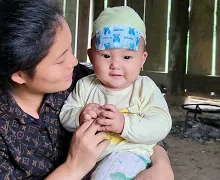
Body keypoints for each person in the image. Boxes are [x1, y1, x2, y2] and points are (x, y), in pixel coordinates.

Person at [0, 1, 174, 179]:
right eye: (60, 60)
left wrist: (161, 163)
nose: (74, 61)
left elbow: (142, 115)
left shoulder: (83, 78)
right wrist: (73, 168)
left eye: (70, 49)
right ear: (19, 74)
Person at [60, 6, 172, 180]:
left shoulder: (145, 88)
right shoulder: (85, 85)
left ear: (142, 59)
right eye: (106, 56)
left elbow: (162, 123)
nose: (115, 65)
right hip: (89, 156)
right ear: (91, 56)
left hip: (129, 153)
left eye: (127, 57)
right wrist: (80, 116)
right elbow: (65, 115)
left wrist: (124, 124)